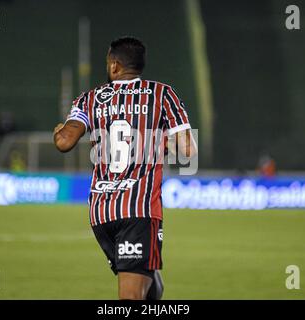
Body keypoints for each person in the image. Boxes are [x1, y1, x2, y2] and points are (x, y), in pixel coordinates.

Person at [53, 36, 197, 300]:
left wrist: (58, 132)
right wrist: (159, 140)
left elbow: (64, 142)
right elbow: (188, 150)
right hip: (138, 210)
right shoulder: (163, 94)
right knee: (131, 297)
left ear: (115, 66)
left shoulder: (89, 99)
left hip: (101, 213)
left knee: (146, 286)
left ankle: (151, 277)